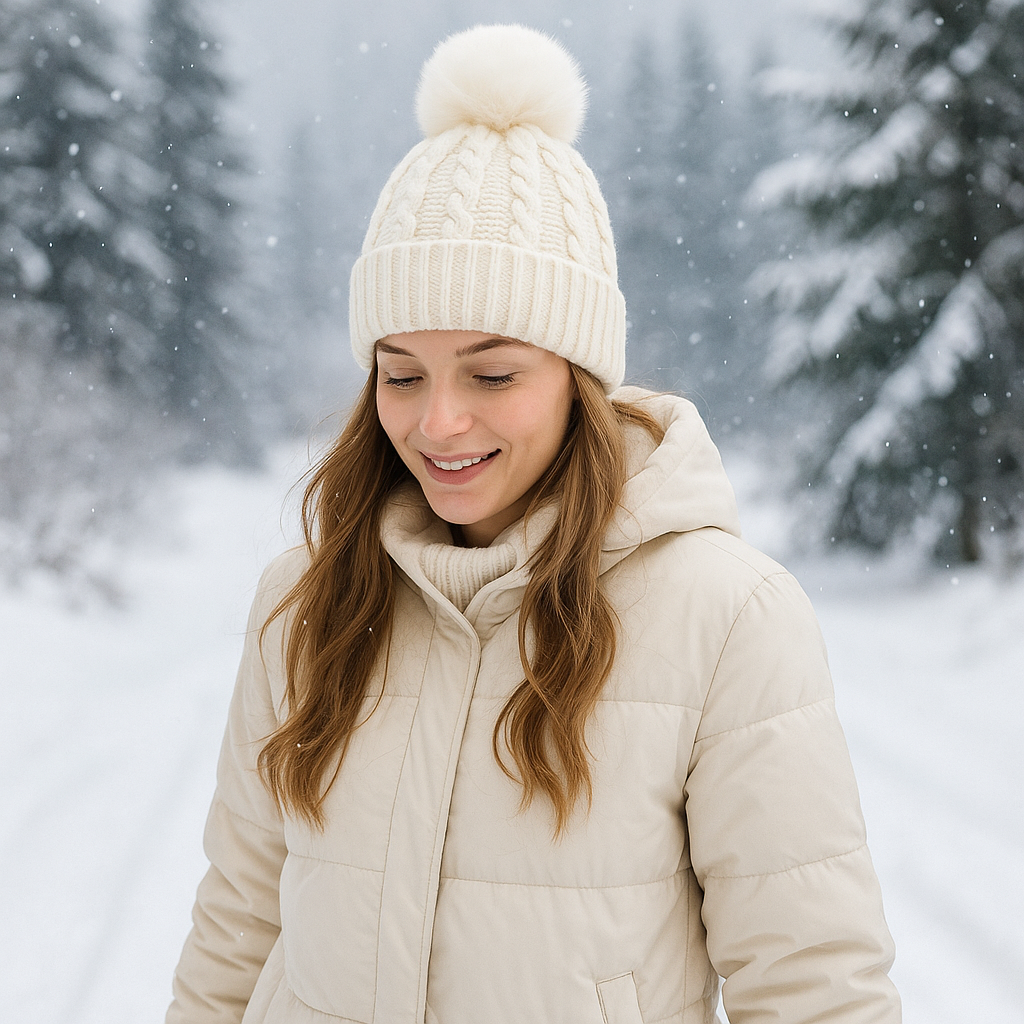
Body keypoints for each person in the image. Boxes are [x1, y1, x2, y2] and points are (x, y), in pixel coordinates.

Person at [167, 23, 901, 1024]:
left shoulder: (727, 617)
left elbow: (814, 985)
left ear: (578, 378)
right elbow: (238, 926)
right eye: (401, 375)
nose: (438, 421)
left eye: (493, 374)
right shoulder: (303, 602)